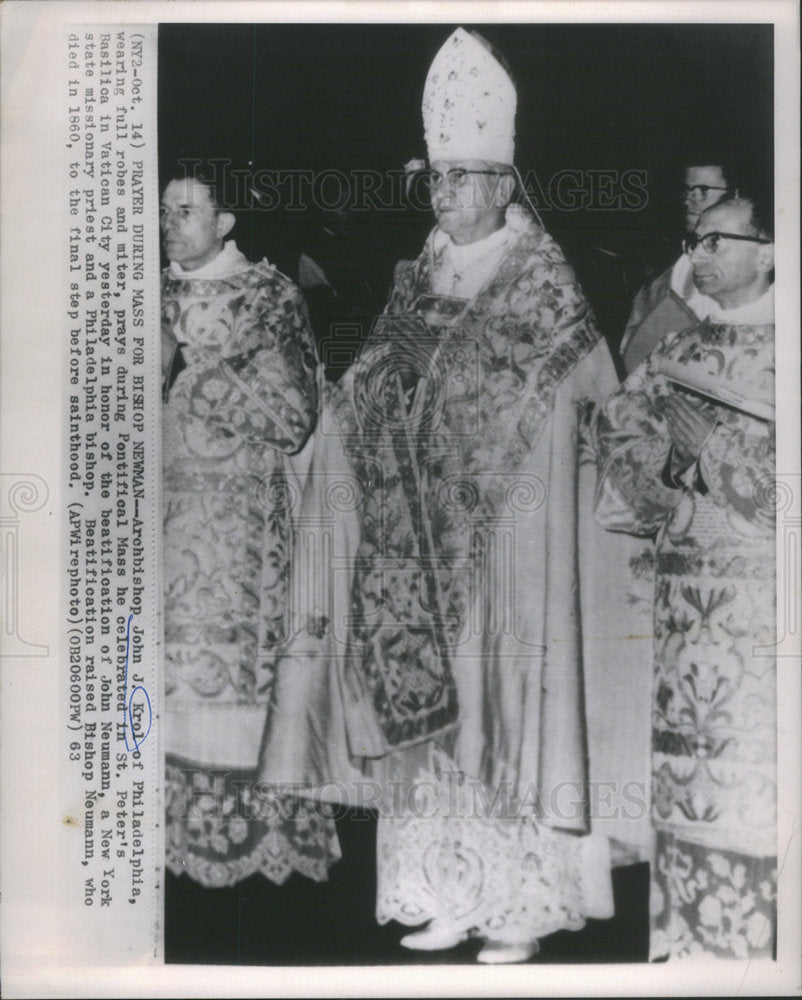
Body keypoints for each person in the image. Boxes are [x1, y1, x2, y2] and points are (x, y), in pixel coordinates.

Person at [260, 28, 652, 963]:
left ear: (507, 185)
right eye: (439, 180)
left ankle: (519, 903)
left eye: (470, 178)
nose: (451, 196)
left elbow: (585, 398)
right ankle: (445, 887)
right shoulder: (420, 274)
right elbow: (372, 389)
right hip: (414, 545)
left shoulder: (547, 288)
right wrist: (329, 417)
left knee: (508, 711)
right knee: (433, 724)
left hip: (513, 546)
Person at [594, 194, 776, 960]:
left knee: (757, 779)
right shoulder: (684, 349)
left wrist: (714, 453)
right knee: (689, 776)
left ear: (770, 250)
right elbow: (623, 463)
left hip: (766, 618)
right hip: (685, 610)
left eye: (716, 239)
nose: (697, 252)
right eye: (692, 241)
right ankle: (692, 949)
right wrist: (667, 458)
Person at [160, 169, 340, 888]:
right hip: (154, 525)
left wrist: (194, 376)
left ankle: (249, 839)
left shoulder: (268, 295)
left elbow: (295, 412)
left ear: (227, 220)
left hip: (237, 531)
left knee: (229, 676)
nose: (171, 224)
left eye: (188, 210)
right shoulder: (138, 290)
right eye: (164, 211)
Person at [619, 159, 735, 373]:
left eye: (703, 190)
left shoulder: (744, 267)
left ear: (734, 195)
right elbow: (634, 338)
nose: (690, 199)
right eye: (688, 190)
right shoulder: (680, 263)